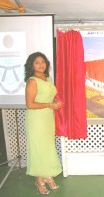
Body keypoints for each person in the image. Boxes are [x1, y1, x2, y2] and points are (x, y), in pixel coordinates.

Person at [24, 52, 62, 195]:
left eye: (43, 61)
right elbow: (30, 104)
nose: (41, 64)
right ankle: (39, 180)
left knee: (47, 147)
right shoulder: (32, 81)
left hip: (47, 118)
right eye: (36, 62)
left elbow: (49, 97)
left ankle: (47, 175)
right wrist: (49, 104)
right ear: (31, 65)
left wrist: (55, 104)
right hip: (36, 120)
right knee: (39, 148)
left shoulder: (48, 79)